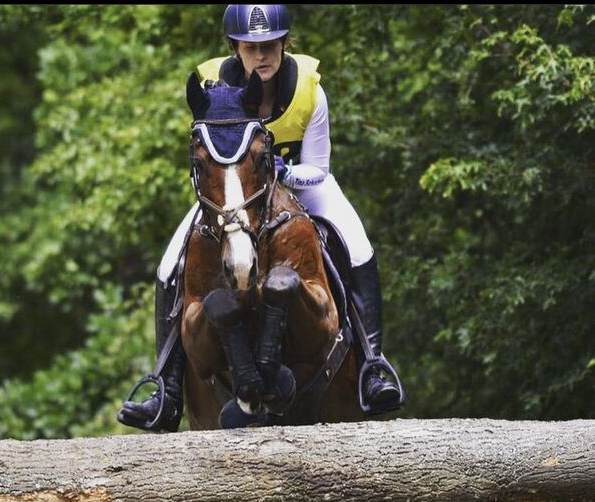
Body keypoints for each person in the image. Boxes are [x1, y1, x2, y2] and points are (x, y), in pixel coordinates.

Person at [119, 4, 401, 431]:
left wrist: (281, 172)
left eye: (270, 45)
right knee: (168, 264)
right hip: (238, 194)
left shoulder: (309, 90)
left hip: (303, 182)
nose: (262, 56)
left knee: (357, 243)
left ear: (285, 43)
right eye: (251, 47)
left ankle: (373, 367)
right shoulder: (215, 89)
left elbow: (319, 167)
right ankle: (166, 387)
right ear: (235, 47)